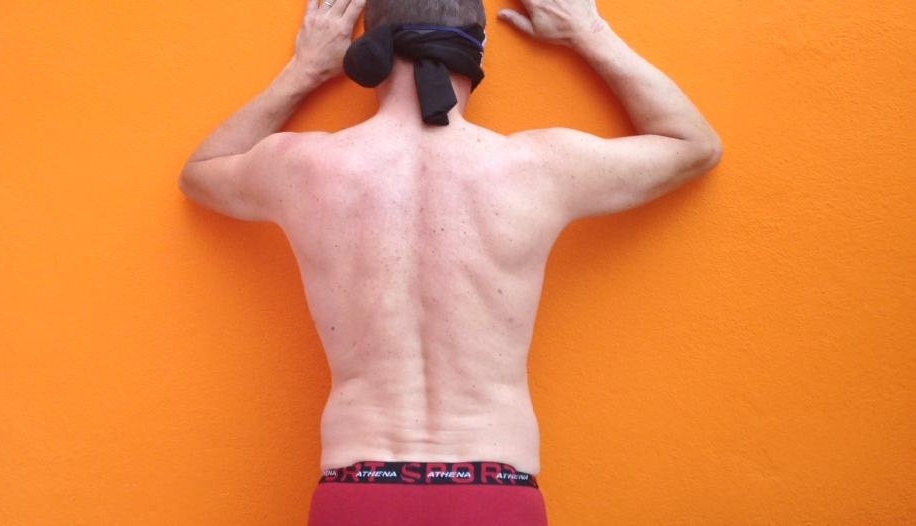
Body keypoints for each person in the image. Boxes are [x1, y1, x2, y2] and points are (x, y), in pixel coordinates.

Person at [179, 0, 722, 523]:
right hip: (494, 494)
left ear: (367, 51)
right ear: (476, 52)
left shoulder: (304, 169)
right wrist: (588, 33)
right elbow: (693, 144)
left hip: (359, 490)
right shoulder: (539, 168)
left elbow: (202, 171)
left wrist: (305, 70)